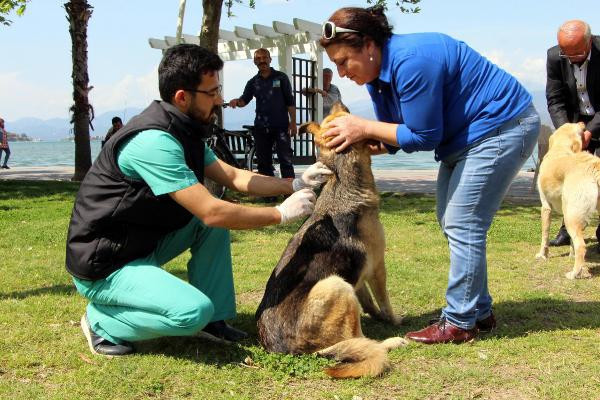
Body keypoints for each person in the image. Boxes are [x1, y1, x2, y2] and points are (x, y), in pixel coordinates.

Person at [65, 44, 332, 356]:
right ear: (182, 97)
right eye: (212, 92)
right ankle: (101, 322)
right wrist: (279, 214)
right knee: (192, 311)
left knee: (211, 230)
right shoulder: (154, 141)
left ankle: (214, 321)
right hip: (105, 264)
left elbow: (232, 176)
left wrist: (293, 183)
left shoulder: (182, 129)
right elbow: (211, 211)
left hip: (138, 246)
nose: (219, 99)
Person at [319, 6, 540, 344]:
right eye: (336, 65)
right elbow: (398, 129)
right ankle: (479, 311)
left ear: (369, 45)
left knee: (463, 223)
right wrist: (372, 142)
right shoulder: (377, 78)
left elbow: (424, 135)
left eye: (344, 61)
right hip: (462, 139)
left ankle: (460, 322)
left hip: (502, 127)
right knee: (450, 219)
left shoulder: (412, 61)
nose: (342, 72)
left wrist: (363, 126)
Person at [545, 20, 600, 248]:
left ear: (588, 42)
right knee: (570, 177)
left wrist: (590, 131)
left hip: (598, 119)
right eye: (565, 52)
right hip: (573, 123)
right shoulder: (554, 56)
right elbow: (555, 99)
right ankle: (568, 228)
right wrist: (568, 132)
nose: (570, 58)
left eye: (576, 53)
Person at [228, 48, 297, 184]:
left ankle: (290, 191)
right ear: (254, 62)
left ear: (270, 59)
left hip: (281, 127)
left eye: (264, 57)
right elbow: (244, 100)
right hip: (261, 128)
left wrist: (293, 123)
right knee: (263, 164)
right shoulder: (253, 82)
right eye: (258, 59)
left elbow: (290, 101)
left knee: (286, 161)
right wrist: (236, 101)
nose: (262, 61)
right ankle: (269, 192)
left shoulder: (281, 77)